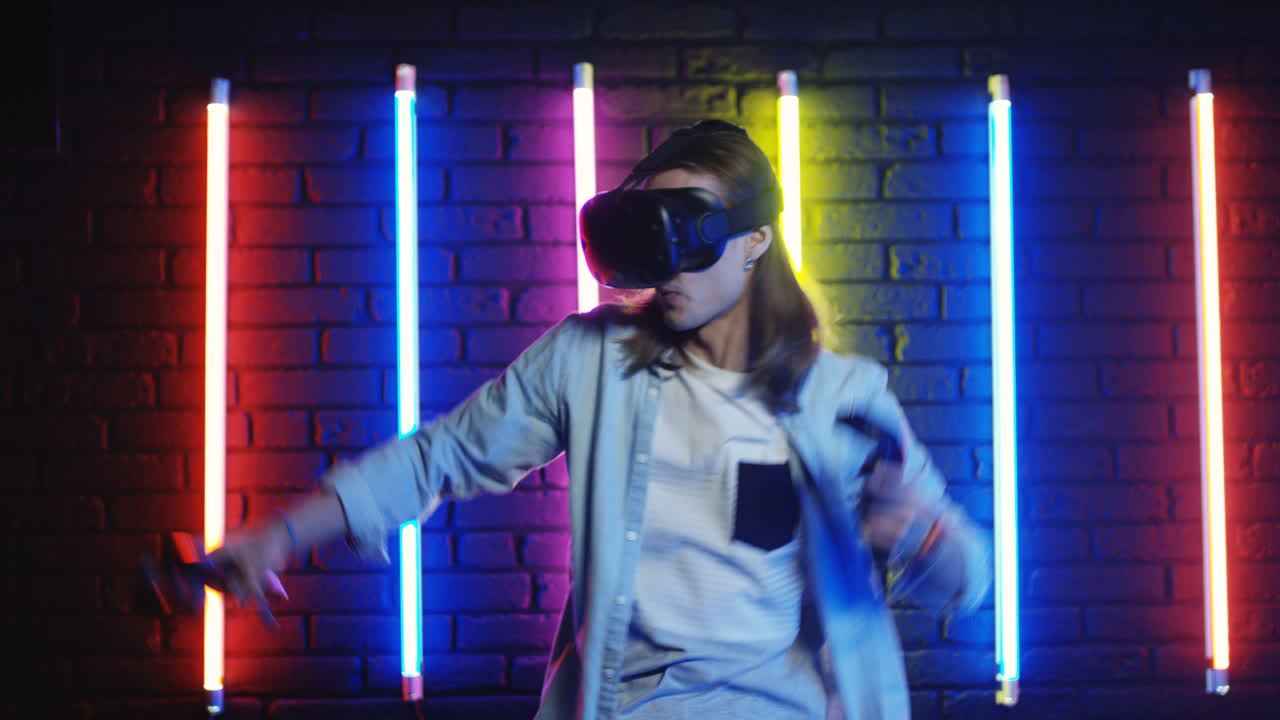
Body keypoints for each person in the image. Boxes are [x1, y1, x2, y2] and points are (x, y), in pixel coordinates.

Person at [209, 120, 991, 720]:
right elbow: (438, 459)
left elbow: (970, 583)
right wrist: (277, 536)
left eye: (696, 234)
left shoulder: (844, 398)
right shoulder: (593, 359)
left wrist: (917, 530)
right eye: (657, 235)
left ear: (756, 238)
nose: (671, 267)